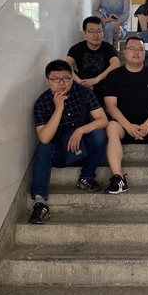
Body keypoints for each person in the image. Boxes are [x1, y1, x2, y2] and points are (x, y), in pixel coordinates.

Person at [29, 60, 108, 224]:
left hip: (84, 150)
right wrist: (59, 108)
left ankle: (87, 177)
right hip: (61, 153)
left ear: (72, 78)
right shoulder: (42, 103)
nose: (61, 83)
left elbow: (103, 120)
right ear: (47, 81)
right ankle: (40, 202)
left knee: (99, 135)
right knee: (43, 148)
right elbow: (44, 137)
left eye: (66, 78)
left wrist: (81, 130)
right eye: (56, 79)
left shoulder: (84, 93)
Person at [103, 36, 148, 194]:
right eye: (132, 49)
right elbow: (110, 106)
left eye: (140, 49)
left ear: (145, 53)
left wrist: (146, 125)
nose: (136, 52)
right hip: (123, 126)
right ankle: (118, 178)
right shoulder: (114, 76)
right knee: (111, 126)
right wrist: (128, 126)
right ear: (124, 52)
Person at [65, 16, 121, 105]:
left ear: (103, 33)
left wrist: (96, 79)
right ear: (84, 33)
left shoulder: (108, 48)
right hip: (83, 86)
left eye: (99, 31)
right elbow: (66, 64)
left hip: (104, 87)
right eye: (91, 31)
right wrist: (79, 81)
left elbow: (116, 64)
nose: (96, 35)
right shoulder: (77, 48)